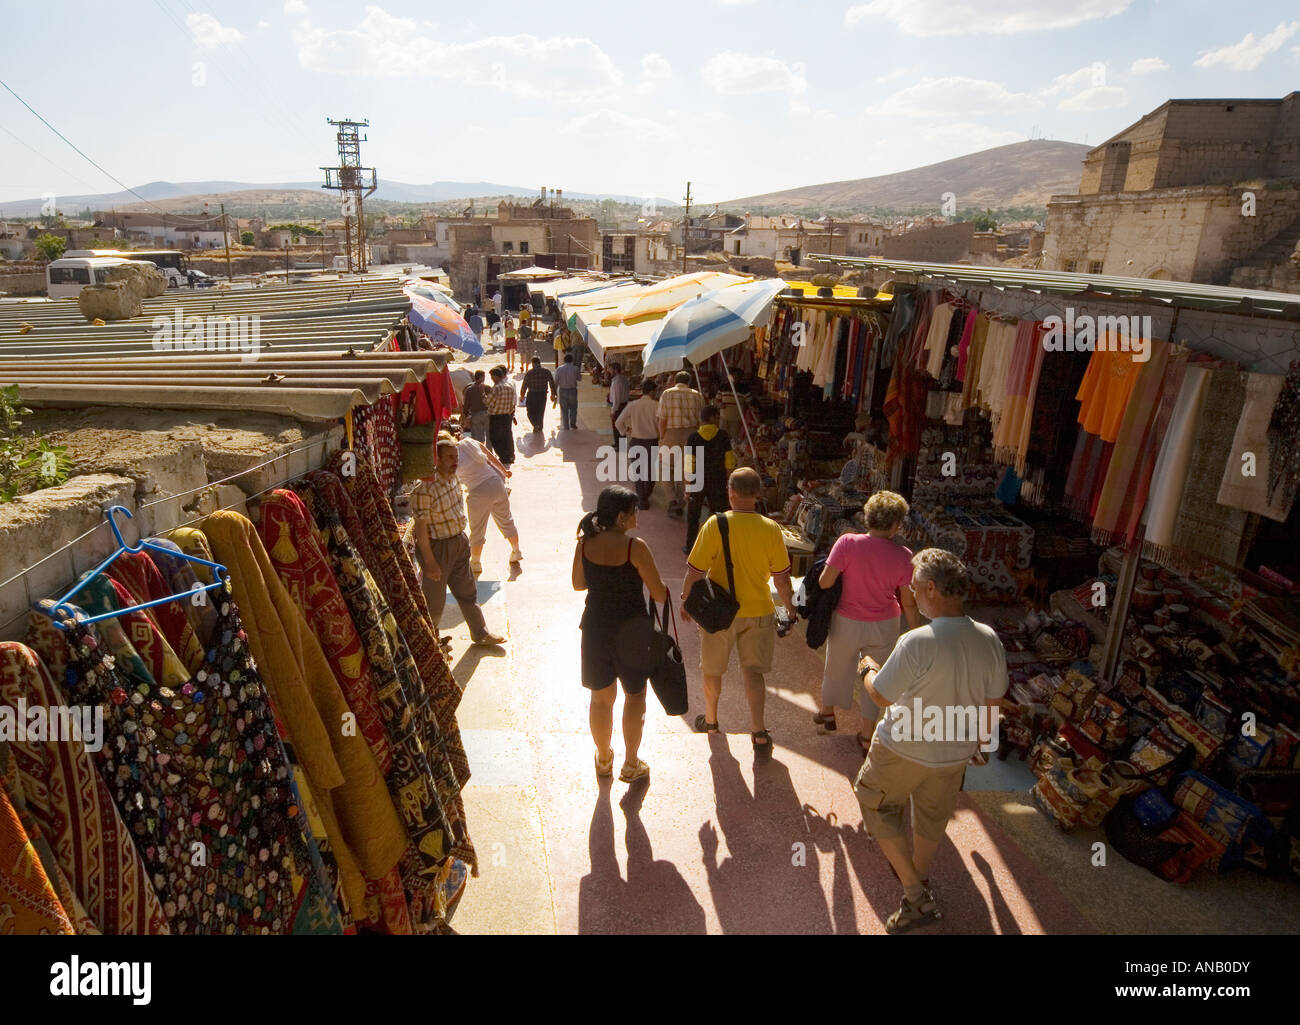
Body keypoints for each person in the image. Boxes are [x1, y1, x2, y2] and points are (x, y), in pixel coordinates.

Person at [855, 548, 1007, 933]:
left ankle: (915, 894)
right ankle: (918, 875)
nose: (911, 594)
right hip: (953, 751)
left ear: (932, 587)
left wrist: (867, 671)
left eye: (914, 587)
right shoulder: (989, 638)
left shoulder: (917, 640)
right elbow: (993, 701)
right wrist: (983, 745)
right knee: (931, 817)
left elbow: (882, 696)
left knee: (874, 802)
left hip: (901, 748)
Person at [680, 467, 796, 756]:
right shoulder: (771, 529)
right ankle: (758, 731)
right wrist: (790, 608)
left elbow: (695, 571)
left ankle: (711, 721)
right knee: (754, 673)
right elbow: (781, 579)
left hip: (718, 613)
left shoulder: (715, 524)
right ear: (758, 495)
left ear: (730, 492)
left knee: (712, 669)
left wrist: (686, 600)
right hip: (758, 611)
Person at [572, 485, 668, 783]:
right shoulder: (634, 547)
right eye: (633, 512)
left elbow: (578, 584)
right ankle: (630, 762)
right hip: (632, 633)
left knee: (601, 699)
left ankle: (603, 759)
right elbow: (659, 595)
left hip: (596, 629)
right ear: (622, 518)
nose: (637, 516)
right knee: (635, 695)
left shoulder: (584, 544)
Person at [816, 491, 922, 754]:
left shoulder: (847, 543)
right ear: (896, 524)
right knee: (875, 677)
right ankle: (866, 734)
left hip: (847, 619)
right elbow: (908, 602)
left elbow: (825, 582)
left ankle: (828, 713)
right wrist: (918, 632)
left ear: (867, 517)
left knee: (837, 666)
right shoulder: (904, 555)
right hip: (885, 624)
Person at [411, 433, 507, 647]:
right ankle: (429, 644)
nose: (455, 461)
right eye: (449, 457)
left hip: (459, 543)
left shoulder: (455, 478)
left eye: (456, 457)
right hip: (438, 548)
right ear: (436, 459)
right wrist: (429, 562)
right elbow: (420, 530)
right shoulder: (424, 489)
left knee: (467, 591)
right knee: (434, 602)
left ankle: (480, 633)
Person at [455, 429, 522, 574]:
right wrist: (504, 471)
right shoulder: (471, 442)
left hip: (478, 491)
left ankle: (476, 562)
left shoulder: (451, 456)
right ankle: (516, 551)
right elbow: (491, 457)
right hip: (496, 483)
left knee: (478, 528)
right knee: (506, 520)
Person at [683, 404, 735, 554]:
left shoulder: (693, 437)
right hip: (717, 482)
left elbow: (689, 465)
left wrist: (687, 488)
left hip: (696, 482)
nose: (719, 419)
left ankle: (690, 546)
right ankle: (719, 547)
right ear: (712, 418)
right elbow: (729, 462)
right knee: (719, 516)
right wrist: (729, 483)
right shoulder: (723, 436)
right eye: (717, 417)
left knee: (693, 516)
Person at [657, 371, 704, 519]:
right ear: (689, 382)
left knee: (666, 469)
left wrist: (662, 436)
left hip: (671, 434)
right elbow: (702, 420)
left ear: (675, 381)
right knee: (686, 471)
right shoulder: (698, 395)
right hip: (691, 435)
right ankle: (682, 501)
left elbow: (662, 419)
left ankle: (672, 500)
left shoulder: (667, 394)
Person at [614, 379, 660, 510]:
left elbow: (618, 422)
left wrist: (626, 431)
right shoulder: (657, 405)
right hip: (652, 442)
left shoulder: (633, 405)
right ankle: (646, 493)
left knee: (638, 471)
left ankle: (642, 498)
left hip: (636, 441)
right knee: (651, 470)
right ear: (652, 391)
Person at [486, 365, 518, 466]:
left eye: (492, 377)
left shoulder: (496, 388)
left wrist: (484, 395)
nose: (491, 379)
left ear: (496, 376)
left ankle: (503, 457)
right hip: (507, 416)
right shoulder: (509, 387)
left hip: (496, 417)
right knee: (507, 436)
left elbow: (488, 402)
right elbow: (513, 403)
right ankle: (510, 455)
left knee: (495, 437)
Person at [520, 356, 557, 434]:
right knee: (541, 411)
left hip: (532, 394)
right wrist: (553, 394)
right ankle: (539, 426)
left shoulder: (529, 373)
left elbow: (524, 385)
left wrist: (522, 395)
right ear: (539, 363)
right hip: (542, 394)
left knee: (530, 411)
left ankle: (535, 424)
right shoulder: (546, 371)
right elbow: (551, 383)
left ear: (532, 364)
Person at [462, 369, 490, 444]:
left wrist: (465, 415)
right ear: (482, 377)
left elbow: (466, 405)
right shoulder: (487, 388)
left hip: (475, 415)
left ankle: (480, 452)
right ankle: (489, 452)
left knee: (478, 438)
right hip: (487, 414)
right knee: (489, 436)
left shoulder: (469, 389)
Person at [555, 352, 581, 430]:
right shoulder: (575, 368)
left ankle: (566, 425)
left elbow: (556, 381)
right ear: (572, 360)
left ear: (564, 360)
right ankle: (573, 423)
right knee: (573, 407)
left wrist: (554, 392)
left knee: (564, 409)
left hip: (562, 390)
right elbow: (579, 378)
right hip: (572, 390)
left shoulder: (559, 369)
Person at [607, 361, 630, 443]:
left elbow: (617, 398)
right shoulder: (623, 379)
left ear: (615, 370)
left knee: (617, 425)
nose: (609, 371)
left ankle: (619, 444)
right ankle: (618, 443)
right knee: (620, 425)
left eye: (610, 369)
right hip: (623, 404)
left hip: (618, 406)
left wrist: (613, 410)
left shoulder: (617, 381)